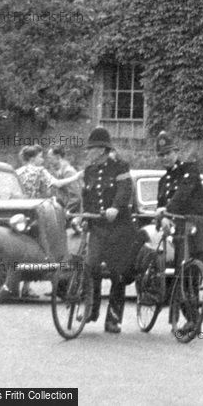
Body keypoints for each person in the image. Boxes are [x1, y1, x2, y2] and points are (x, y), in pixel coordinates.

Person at [155, 131, 203, 335]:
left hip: (197, 225)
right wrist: (163, 218)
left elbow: (183, 194)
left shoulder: (190, 170)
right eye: (161, 155)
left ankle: (194, 318)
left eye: (168, 153)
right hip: (180, 228)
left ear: (177, 152)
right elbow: (161, 207)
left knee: (195, 270)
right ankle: (190, 319)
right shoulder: (163, 181)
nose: (165, 158)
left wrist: (166, 210)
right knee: (181, 270)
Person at [81, 126, 136, 333]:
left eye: (92, 149)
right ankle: (91, 309)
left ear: (102, 150)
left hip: (119, 228)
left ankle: (113, 319)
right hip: (98, 227)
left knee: (117, 274)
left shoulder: (120, 167)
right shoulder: (89, 171)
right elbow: (86, 197)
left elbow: (124, 190)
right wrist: (84, 216)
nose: (89, 152)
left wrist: (115, 207)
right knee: (90, 265)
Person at [15, 144, 82, 298]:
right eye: (40, 157)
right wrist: (77, 177)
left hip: (22, 213)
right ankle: (56, 284)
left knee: (28, 246)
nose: (42, 159)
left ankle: (25, 286)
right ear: (32, 158)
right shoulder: (39, 171)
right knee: (50, 247)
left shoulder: (17, 172)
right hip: (39, 212)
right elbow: (57, 184)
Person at [46, 146, 82, 214]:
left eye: (50, 158)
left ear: (58, 157)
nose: (48, 160)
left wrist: (65, 211)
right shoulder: (56, 172)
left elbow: (76, 197)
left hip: (70, 214)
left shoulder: (68, 172)